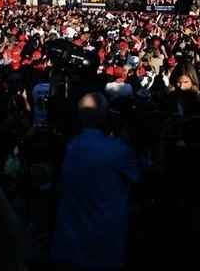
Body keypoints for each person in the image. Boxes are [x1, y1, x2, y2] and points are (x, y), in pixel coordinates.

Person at [51, 92, 140, 271]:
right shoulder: (116, 149)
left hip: (68, 242)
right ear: (106, 115)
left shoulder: (67, 147)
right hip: (105, 242)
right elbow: (140, 177)